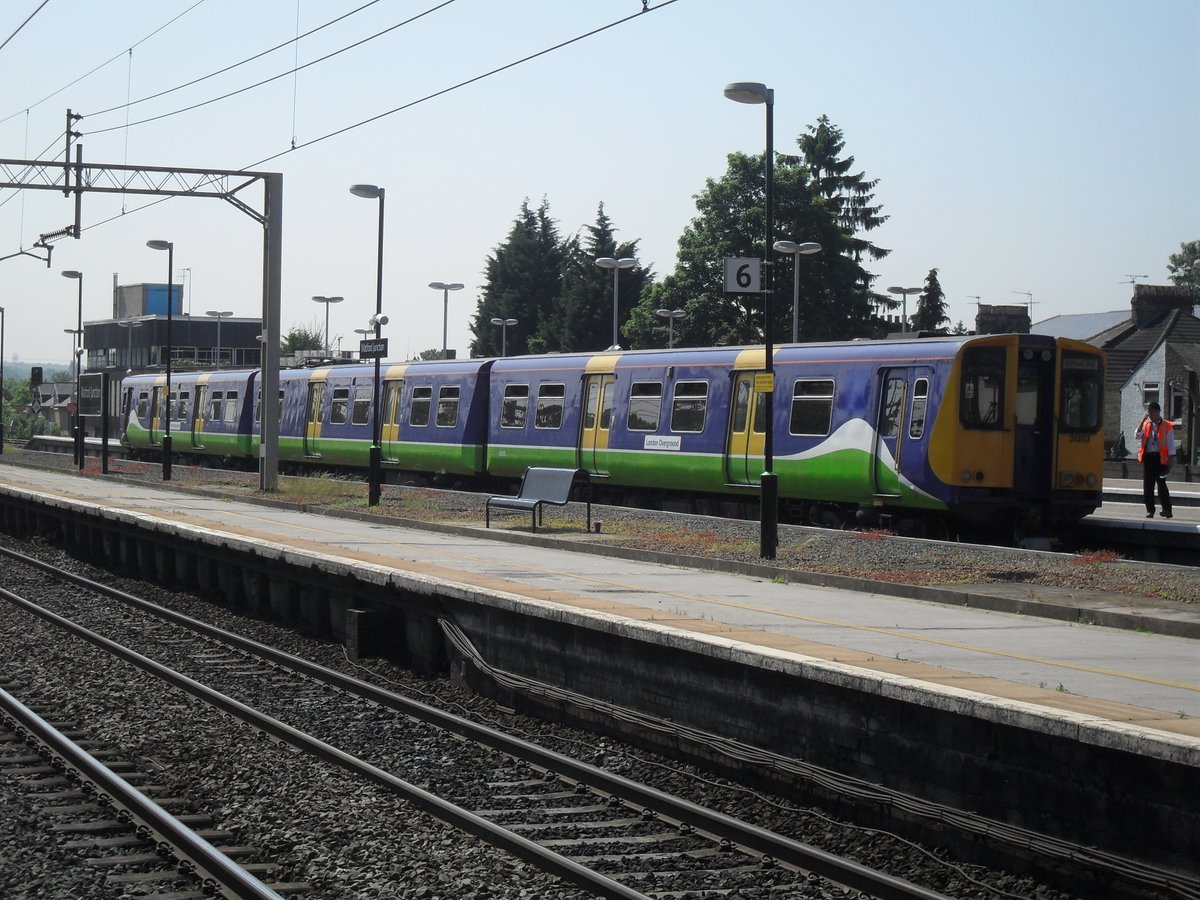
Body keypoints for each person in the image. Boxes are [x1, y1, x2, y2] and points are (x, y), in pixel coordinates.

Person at [1136, 400, 1175, 518]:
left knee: (1161, 484)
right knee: (1148, 485)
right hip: (1148, 458)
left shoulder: (1166, 426)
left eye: (1152, 412)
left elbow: (1171, 447)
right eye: (1148, 412)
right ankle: (1150, 510)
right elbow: (1137, 435)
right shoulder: (1146, 424)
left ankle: (1167, 509)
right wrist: (1142, 421)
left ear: (1158, 412)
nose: (1150, 414)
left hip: (1160, 459)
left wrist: (1169, 464)